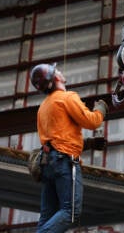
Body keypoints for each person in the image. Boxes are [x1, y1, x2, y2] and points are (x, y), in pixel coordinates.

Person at [30, 63, 108, 233]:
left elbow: (57, 136)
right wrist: (101, 109)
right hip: (64, 161)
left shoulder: (43, 107)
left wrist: (88, 144)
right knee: (70, 211)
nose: (60, 71)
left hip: (48, 163)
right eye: (57, 70)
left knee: (47, 217)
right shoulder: (67, 98)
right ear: (56, 78)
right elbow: (92, 121)